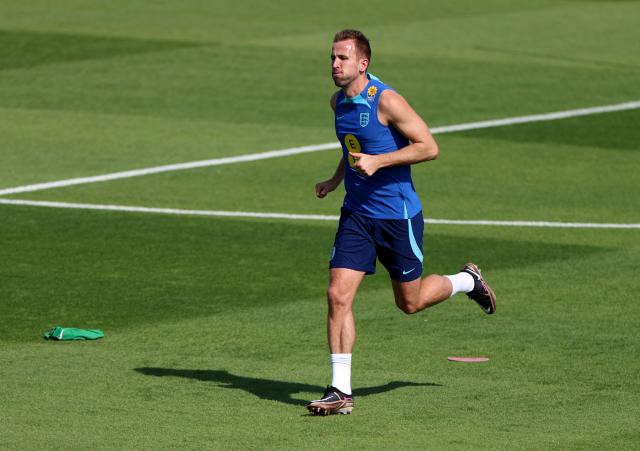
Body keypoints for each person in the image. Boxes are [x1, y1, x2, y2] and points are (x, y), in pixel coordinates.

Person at [306, 29, 496, 416]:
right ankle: (340, 390)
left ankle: (466, 281)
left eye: (342, 59)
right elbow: (355, 147)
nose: (334, 65)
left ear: (363, 63)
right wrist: (336, 178)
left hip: (398, 216)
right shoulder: (337, 103)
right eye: (332, 58)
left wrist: (381, 162)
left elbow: (429, 146)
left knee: (409, 303)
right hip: (357, 215)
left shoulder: (386, 100)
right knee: (337, 295)